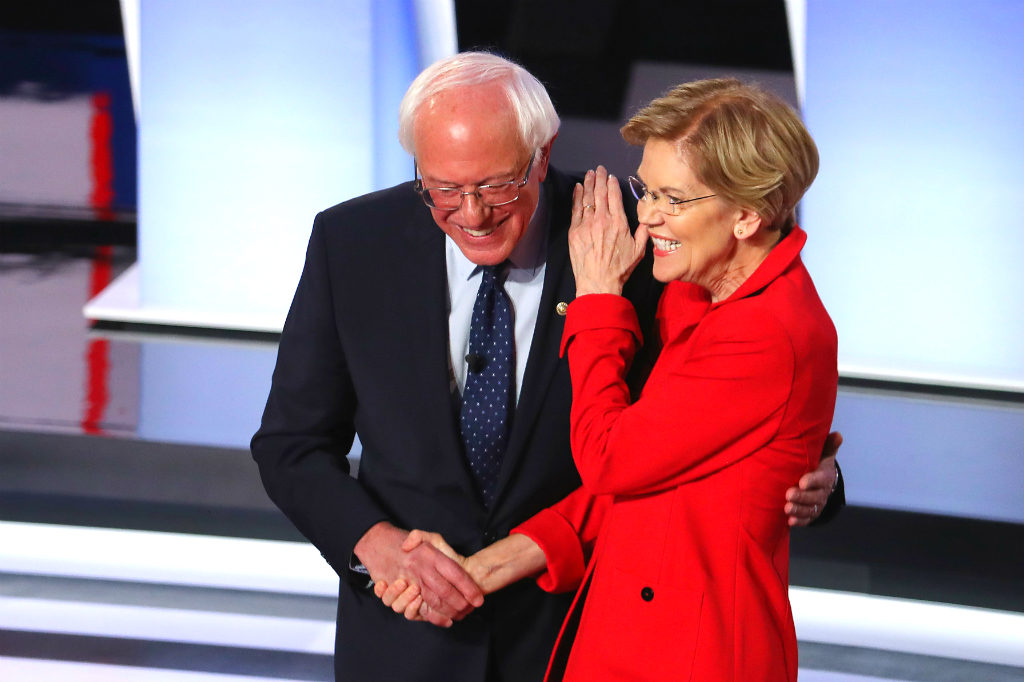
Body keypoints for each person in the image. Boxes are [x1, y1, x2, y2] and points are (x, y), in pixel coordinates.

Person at [252, 54, 842, 682]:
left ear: (542, 151)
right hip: (405, 638)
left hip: (569, 636)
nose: (472, 213)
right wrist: (374, 546)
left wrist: (808, 471)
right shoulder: (353, 241)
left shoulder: (638, 245)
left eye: (497, 185)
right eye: (444, 188)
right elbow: (291, 445)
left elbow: (700, 420)